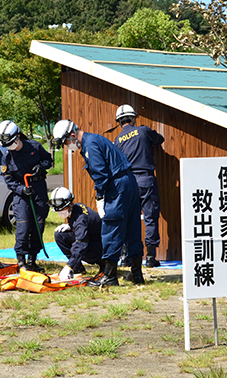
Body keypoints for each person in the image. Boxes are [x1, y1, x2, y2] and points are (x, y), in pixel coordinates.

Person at [52, 119, 143, 286]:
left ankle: (109, 276)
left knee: (111, 228)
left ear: (72, 136)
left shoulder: (90, 146)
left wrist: (100, 198)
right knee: (132, 227)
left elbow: (101, 175)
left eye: (65, 142)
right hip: (128, 182)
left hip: (116, 186)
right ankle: (137, 275)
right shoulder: (95, 139)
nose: (67, 147)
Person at [0, 120, 53, 272]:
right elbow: (8, 179)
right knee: (23, 226)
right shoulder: (7, 157)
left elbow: (49, 160)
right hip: (21, 194)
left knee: (38, 225)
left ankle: (32, 260)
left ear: (17, 137)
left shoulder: (34, 146)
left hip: (38, 189)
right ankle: (21, 261)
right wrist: (21, 189)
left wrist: (41, 166)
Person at [114, 105, 165, 267]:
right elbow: (159, 140)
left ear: (119, 122)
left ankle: (126, 257)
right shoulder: (143, 131)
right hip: (146, 180)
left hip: (128, 182)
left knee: (129, 219)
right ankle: (150, 257)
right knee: (150, 217)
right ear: (133, 118)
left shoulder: (117, 140)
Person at [48, 187, 105, 281]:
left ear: (70, 204)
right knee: (60, 235)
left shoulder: (81, 219)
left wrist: (68, 266)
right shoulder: (76, 208)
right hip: (91, 236)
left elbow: (81, 243)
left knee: (80, 248)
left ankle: (103, 264)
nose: (60, 212)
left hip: (101, 245)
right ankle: (78, 268)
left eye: (62, 209)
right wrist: (70, 226)